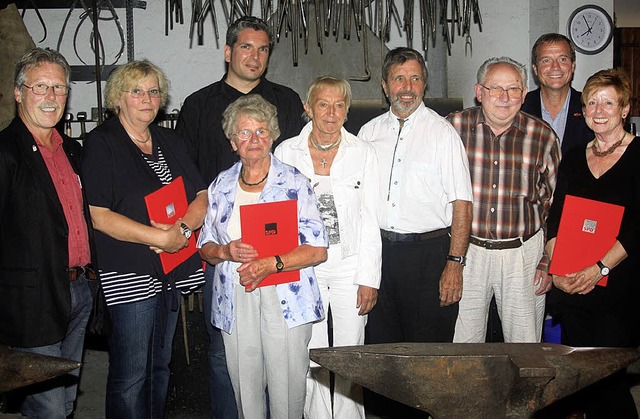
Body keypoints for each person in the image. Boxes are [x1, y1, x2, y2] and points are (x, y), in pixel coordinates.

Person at [175, 16, 306, 417]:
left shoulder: (286, 100)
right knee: (224, 351)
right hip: (226, 249)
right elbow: (186, 175)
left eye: (263, 49)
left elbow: (301, 167)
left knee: (280, 354)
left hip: (281, 249)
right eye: (246, 47)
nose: (255, 56)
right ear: (229, 52)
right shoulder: (198, 105)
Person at [81, 60, 208, 418]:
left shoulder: (169, 139)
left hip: (169, 270)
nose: (147, 98)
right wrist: (159, 237)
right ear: (118, 98)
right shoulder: (102, 142)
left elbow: (202, 195)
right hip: (129, 272)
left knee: (160, 369)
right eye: (136, 91)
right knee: (130, 376)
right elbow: (99, 216)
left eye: (153, 91)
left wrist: (180, 232)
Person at [358, 47, 473, 418]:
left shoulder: (443, 134)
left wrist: (454, 263)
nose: (407, 88)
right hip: (380, 257)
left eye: (415, 79)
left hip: (429, 257)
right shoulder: (367, 133)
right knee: (382, 355)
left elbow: (462, 203)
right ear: (385, 85)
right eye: (399, 79)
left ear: (424, 83)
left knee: (428, 357)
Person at [198, 94, 328, 419]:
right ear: (232, 142)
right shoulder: (221, 185)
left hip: (284, 294)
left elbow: (318, 249)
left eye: (261, 131)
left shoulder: (295, 183)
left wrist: (272, 263)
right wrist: (225, 251)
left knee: (287, 392)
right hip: (236, 295)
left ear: (272, 136)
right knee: (246, 387)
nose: (254, 139)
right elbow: (205, 247)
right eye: (244, 133)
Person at [274, 76, 381, 419]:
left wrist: (370, 278)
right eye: (323, 104)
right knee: (312, 351)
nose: (331, 113)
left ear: (347, 111)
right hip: (305, 266)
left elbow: (370, 218)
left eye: (339, 105)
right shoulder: (285, 152)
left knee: (351, 352)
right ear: (308, 108)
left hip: (350, 266)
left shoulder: (363, 152)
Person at [0, 47, 95, 419]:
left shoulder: (72, 150)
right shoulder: (5, 151)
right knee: (49, 407)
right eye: (41, 87)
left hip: (77, 292)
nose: (52, 97)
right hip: (30, 302)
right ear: (19, 93)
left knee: (66, 400)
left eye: (59, 88)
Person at [544, 68, 639, 418]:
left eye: (608, 102)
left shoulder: (638, 155)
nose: (599, 110)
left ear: (625, 108)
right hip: (574, 288)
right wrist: (558, 269)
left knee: (609, 381)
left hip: (617, 289)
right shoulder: (572, 157)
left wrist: (598, 268)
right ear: (583, 110)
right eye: (592, 102)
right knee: (582, 380)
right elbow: (556, 217)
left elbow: (637, 228)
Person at [447, 57, 561, 343]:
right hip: (468, 253)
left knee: (524, 349)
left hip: (523, 254)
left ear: (524, 94)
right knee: (463, 346)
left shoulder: (543, 136)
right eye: (495, 88)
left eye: (513, 89)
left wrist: (549, 262)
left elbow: (554, 206)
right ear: (479, 91)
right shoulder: (452, 129)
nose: (504, 97)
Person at [522, 33, 592, 154]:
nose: (555, 67)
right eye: (546, 60)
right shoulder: (519, 107)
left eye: (562, 59)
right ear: (535, 69)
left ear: (573, 66)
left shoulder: (590, 106)